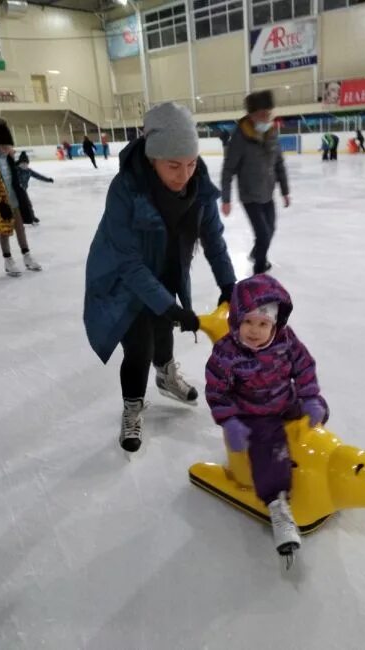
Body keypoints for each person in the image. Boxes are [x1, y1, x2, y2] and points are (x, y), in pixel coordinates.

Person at [84, 102, 236, 453]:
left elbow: (213, 237)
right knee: (139, 347)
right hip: (122, 277)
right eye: (174, 166)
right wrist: (169, 307)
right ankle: (133, 406)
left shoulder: (197, 183)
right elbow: (129, 263)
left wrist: (228, 284)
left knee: (164, 328)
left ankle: (166, 374)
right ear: (153, 159)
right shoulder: (126, 188)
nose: (184, 174)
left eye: (191, 162)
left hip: (166, 266)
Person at [205, 274, 329, 560]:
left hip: (285, 400)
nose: (254, 330)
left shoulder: (286, 340)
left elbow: (305, 366)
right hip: (254, 413)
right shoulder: (226, 353)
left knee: (321, 406)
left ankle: (306, 454)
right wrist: (229, 420)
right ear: (236, 319)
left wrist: (310, 397)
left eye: (263, 323)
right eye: (248, 321)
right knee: (267, 444)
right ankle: (277, 505)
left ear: (275, 323)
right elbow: (217, 390)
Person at [221, 90, 290, 275]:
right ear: (251, 115)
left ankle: (255, 253)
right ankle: (259, 270)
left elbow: (279, 163)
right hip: (250, 195)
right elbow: (228, 169)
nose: (266, 117)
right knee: (263, 234)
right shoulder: (240, 138)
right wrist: (226, 199)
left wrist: (285, 190)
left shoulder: (272, 133)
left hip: (267, 193)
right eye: (261, 114)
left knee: (270, 230)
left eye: (268, 113)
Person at [0, 120, 41, 277]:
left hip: (14, 201)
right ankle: (8, 260)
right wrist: (0, 204)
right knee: (5, 232)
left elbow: (13, 180)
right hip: (0, 203)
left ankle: (27, 256)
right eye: (4, 147)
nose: (7, 150)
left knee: (20, 229)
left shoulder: (8, 158)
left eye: (9, 147)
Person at [16, 151, 54, 225]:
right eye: (22, 163)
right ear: (19, 164)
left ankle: (32, 218)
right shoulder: (16, 170)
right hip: (14, 191)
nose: (24, 165)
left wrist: (48, 180)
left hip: (23, 191)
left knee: (28, 204)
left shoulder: (29, 171)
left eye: (26, 164)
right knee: (16, 206)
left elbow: (39, 176)